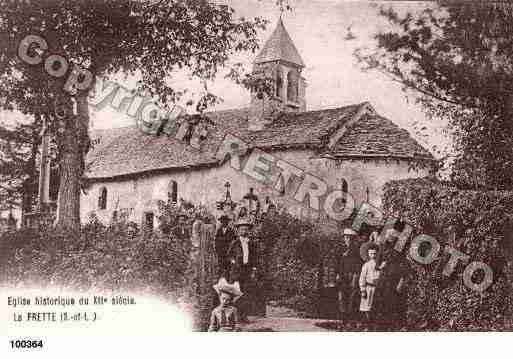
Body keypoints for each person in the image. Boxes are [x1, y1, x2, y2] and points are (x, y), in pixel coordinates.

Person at [227, 218, 258, 322]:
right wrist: (234, 262)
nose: (244, 231)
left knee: (245, 293)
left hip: (247, 271)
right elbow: (229, 256)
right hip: (236, 271)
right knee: (236, 292)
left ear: (248, 231)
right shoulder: (234, 243)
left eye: (246, 229)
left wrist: (253, 270)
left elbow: (254, 257)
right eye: (242, 229)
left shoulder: (251, 243)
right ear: (238, 231)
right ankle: (233, 316)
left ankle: (243, 315)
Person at [379, 231, 411, 330]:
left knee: (398, 302)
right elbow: (379, 262)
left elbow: (405, 266)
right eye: (388, 236)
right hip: (386, 279)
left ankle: (400, 325)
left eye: (392, 237)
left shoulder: (400, 251)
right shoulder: (384, 248)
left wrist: (401, 281)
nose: (389, 238)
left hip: (396, 279)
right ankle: (389, 325)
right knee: (386, 302)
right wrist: (381, 265)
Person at [338, 228, 363, 324]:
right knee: (341, 296)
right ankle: (344, 317)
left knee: (351, 297)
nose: (347, 239)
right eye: (346, 237)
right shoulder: (342, 249)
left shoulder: (356, 250)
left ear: (353, 239)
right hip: (343, 275)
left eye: (350, 238)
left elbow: (358, 264)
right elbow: (340, 263)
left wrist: (355, 277)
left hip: (353, 275)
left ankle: (349, 318)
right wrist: (339, 274)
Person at [359, 244, 384, 330]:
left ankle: (375, 325)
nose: (373, 256)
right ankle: (367, 324)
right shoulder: (366, 265)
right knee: (367, 307)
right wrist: (363, 289)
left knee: (376, 307)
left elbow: (381, 276)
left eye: (374, 253)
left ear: (377, 254)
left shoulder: (380, 265)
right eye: (371, 254)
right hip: (369, 288)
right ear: (368, 254)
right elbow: (362, 277)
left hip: (377, 289)